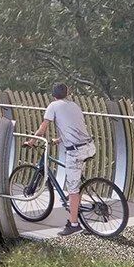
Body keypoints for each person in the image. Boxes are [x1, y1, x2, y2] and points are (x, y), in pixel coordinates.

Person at [34, 83, 95, 236]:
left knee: (73, 190)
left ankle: (73, 224)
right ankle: (76, 203)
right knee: (76, 181)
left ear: (53, 95)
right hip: (89, 147)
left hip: (75, 151)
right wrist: (59, 139)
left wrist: (31, 141)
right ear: (67, 94)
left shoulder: (53, 106)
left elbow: (43, 127)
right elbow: (75, 127)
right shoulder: (74, 106)